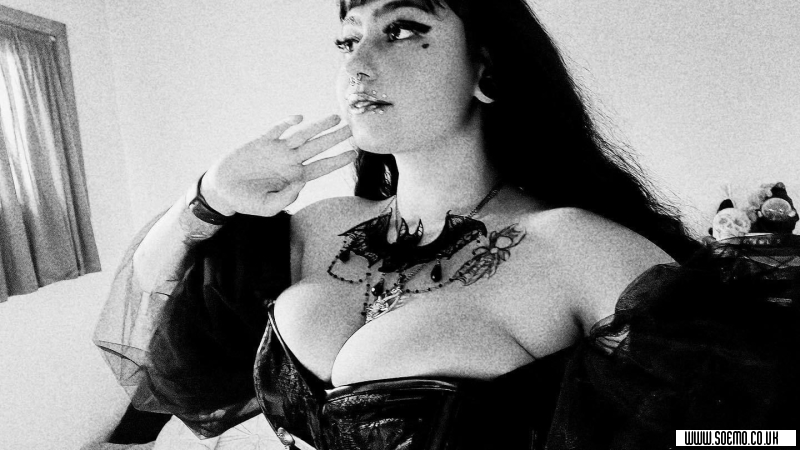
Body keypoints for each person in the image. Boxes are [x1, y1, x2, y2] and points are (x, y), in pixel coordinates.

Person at [94, 0, 799, 449]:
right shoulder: (318, 226)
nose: (359, 64)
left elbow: (752, 433)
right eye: (346, 40)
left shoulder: (573, 246)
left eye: (402, 30)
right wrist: (212, 195)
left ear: (485, 67)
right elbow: (157, 304)